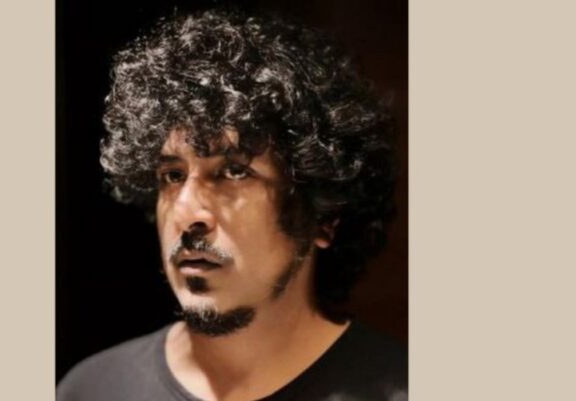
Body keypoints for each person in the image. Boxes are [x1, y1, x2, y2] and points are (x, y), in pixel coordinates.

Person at [58, 8, 406, 401]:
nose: (187, 213)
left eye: (234, 172)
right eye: (172, 175)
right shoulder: (91, 390)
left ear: (323, 215)